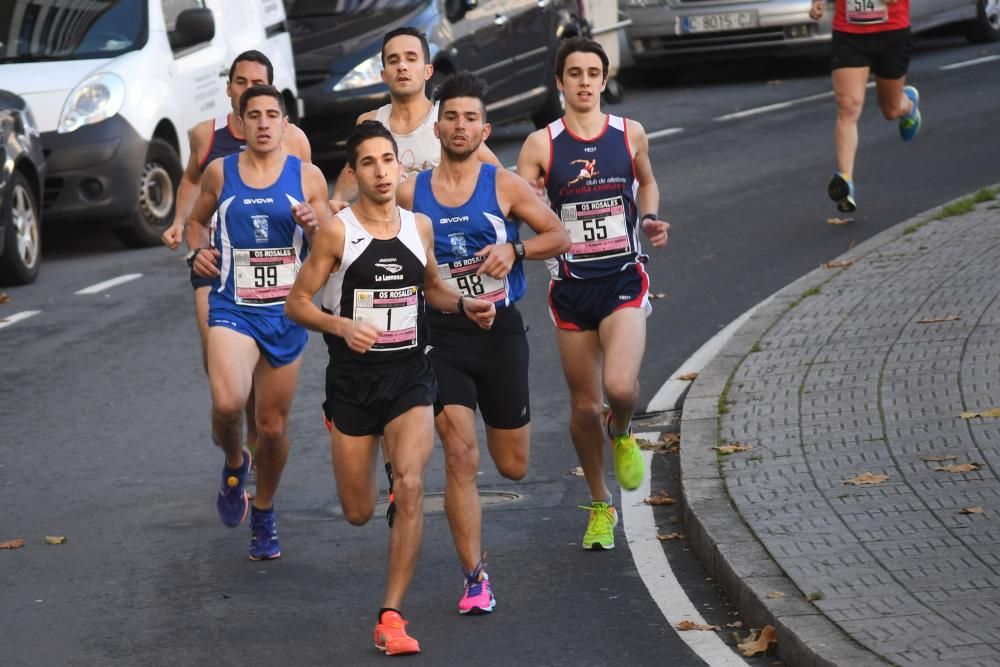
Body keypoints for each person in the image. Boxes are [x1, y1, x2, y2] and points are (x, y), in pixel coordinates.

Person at [285, 120, 495, 655]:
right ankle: (369, 462)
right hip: (353, 384)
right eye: (369, 163)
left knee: (409, 486)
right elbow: (298, 302)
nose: (381, 171)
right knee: (357, 512)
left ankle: (392, 617)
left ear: (400, 165)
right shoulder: (338, 232)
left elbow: (431, 289)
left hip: (411, 376)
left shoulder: (417, 226)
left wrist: (465, 304)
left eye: (389, 160)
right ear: (353, 173)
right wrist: (341, 326)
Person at [395, 72, 569, 615]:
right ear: (437, 125)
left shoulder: (504, 184)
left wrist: (515, 250)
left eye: (471, 118)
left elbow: (558, 234)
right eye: (451, 117)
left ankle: (475, 567)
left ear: (484, 127)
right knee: (460, 454)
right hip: (439, 336)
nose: (460, 126)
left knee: (512, 464)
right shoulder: (411, 192)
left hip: (499, 332)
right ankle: (475, 577)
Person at [516, 37, 669, 551]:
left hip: (623, 276)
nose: (584, 82)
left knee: (621, 389)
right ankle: (602, 505)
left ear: (604, 81)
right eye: (574, 73)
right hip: (571, 288)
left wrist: (648, 218)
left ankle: (622, 430)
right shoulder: (542, 144)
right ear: (559, 82)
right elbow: (523, 205)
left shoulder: (630, 134)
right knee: (583, 408)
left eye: (592, 73)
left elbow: (646, 183)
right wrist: (530, 209)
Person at [186, 85, 327, 561]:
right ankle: (233, 463)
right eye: (255, 116)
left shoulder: (307, 177)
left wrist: (313, 225)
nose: (264, 123)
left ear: (286, 124)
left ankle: (263, 511)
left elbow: (332, 239)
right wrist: (197, 251)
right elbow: (194, 222)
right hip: (232, 307)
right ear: (240, 124)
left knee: (271, 429)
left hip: (286, 315)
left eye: (273, 115)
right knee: (227, 404)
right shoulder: (219, 173)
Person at [162, 50, 312, 463]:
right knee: (222, 369)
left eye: (258, 83)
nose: (248, 90)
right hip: (218, 265)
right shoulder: (206, 136)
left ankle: (251, 438)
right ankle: (231, 430)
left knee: (264, 405)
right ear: (229, 88)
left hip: (278, 277)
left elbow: (308, 199)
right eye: (241, 83)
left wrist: (314, 228)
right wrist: (188, 235)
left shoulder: (294, 139)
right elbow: (192, 183)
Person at [330, 27, 498, 204]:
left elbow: (497, 175)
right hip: (393, 228)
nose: (402, 66)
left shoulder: (449, 118)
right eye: (393, 61)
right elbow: (354, 169)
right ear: (384, 75)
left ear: (428, 71)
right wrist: (337, 199)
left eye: (411, 59)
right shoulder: (370, 121)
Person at [810, 0, 921, 213]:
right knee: (847, 105)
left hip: (892, 31)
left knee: (890, 110)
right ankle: (846, 182)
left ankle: (907, 106)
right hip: (849, 33)